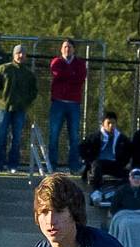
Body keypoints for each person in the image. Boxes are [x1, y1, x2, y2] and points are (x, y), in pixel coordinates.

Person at [0, 44, 37, 174]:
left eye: (23, 53)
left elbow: (33, 91)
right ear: (13, 55)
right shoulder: (3, 69)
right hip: (3, 109)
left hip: (19, 110)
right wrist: (2, 98)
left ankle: (13, 165)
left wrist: (25, 102)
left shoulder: (28, 74)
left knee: (16, 139)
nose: (20, 55)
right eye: (18, 53)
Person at [48, 38, 88, 172]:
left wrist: (68, 75)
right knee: (54, 135)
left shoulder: (80, 64)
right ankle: (52, 165)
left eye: (69, 47)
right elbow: (57, 74)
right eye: (65, 47)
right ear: (61, 49)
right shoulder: (56, 62)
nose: (67, 49)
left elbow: (80, 78)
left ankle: (74, 166)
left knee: (74, 137)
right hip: (58, 103)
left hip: (74, 104)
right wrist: (71, 75)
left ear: (74, 49)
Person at [79, 111, 131, 204]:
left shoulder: (122, 138)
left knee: (130, 175)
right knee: (96, 164)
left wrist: (127, 162)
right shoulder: (95, 136)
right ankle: (96, 192)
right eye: (109, 123)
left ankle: (113, 192)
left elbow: (130, 150)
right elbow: (82, 147)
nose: (111, 125)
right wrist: (88, 161)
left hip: (115, 164)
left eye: (113, 123)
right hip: (99, 164)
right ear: (103, 123)